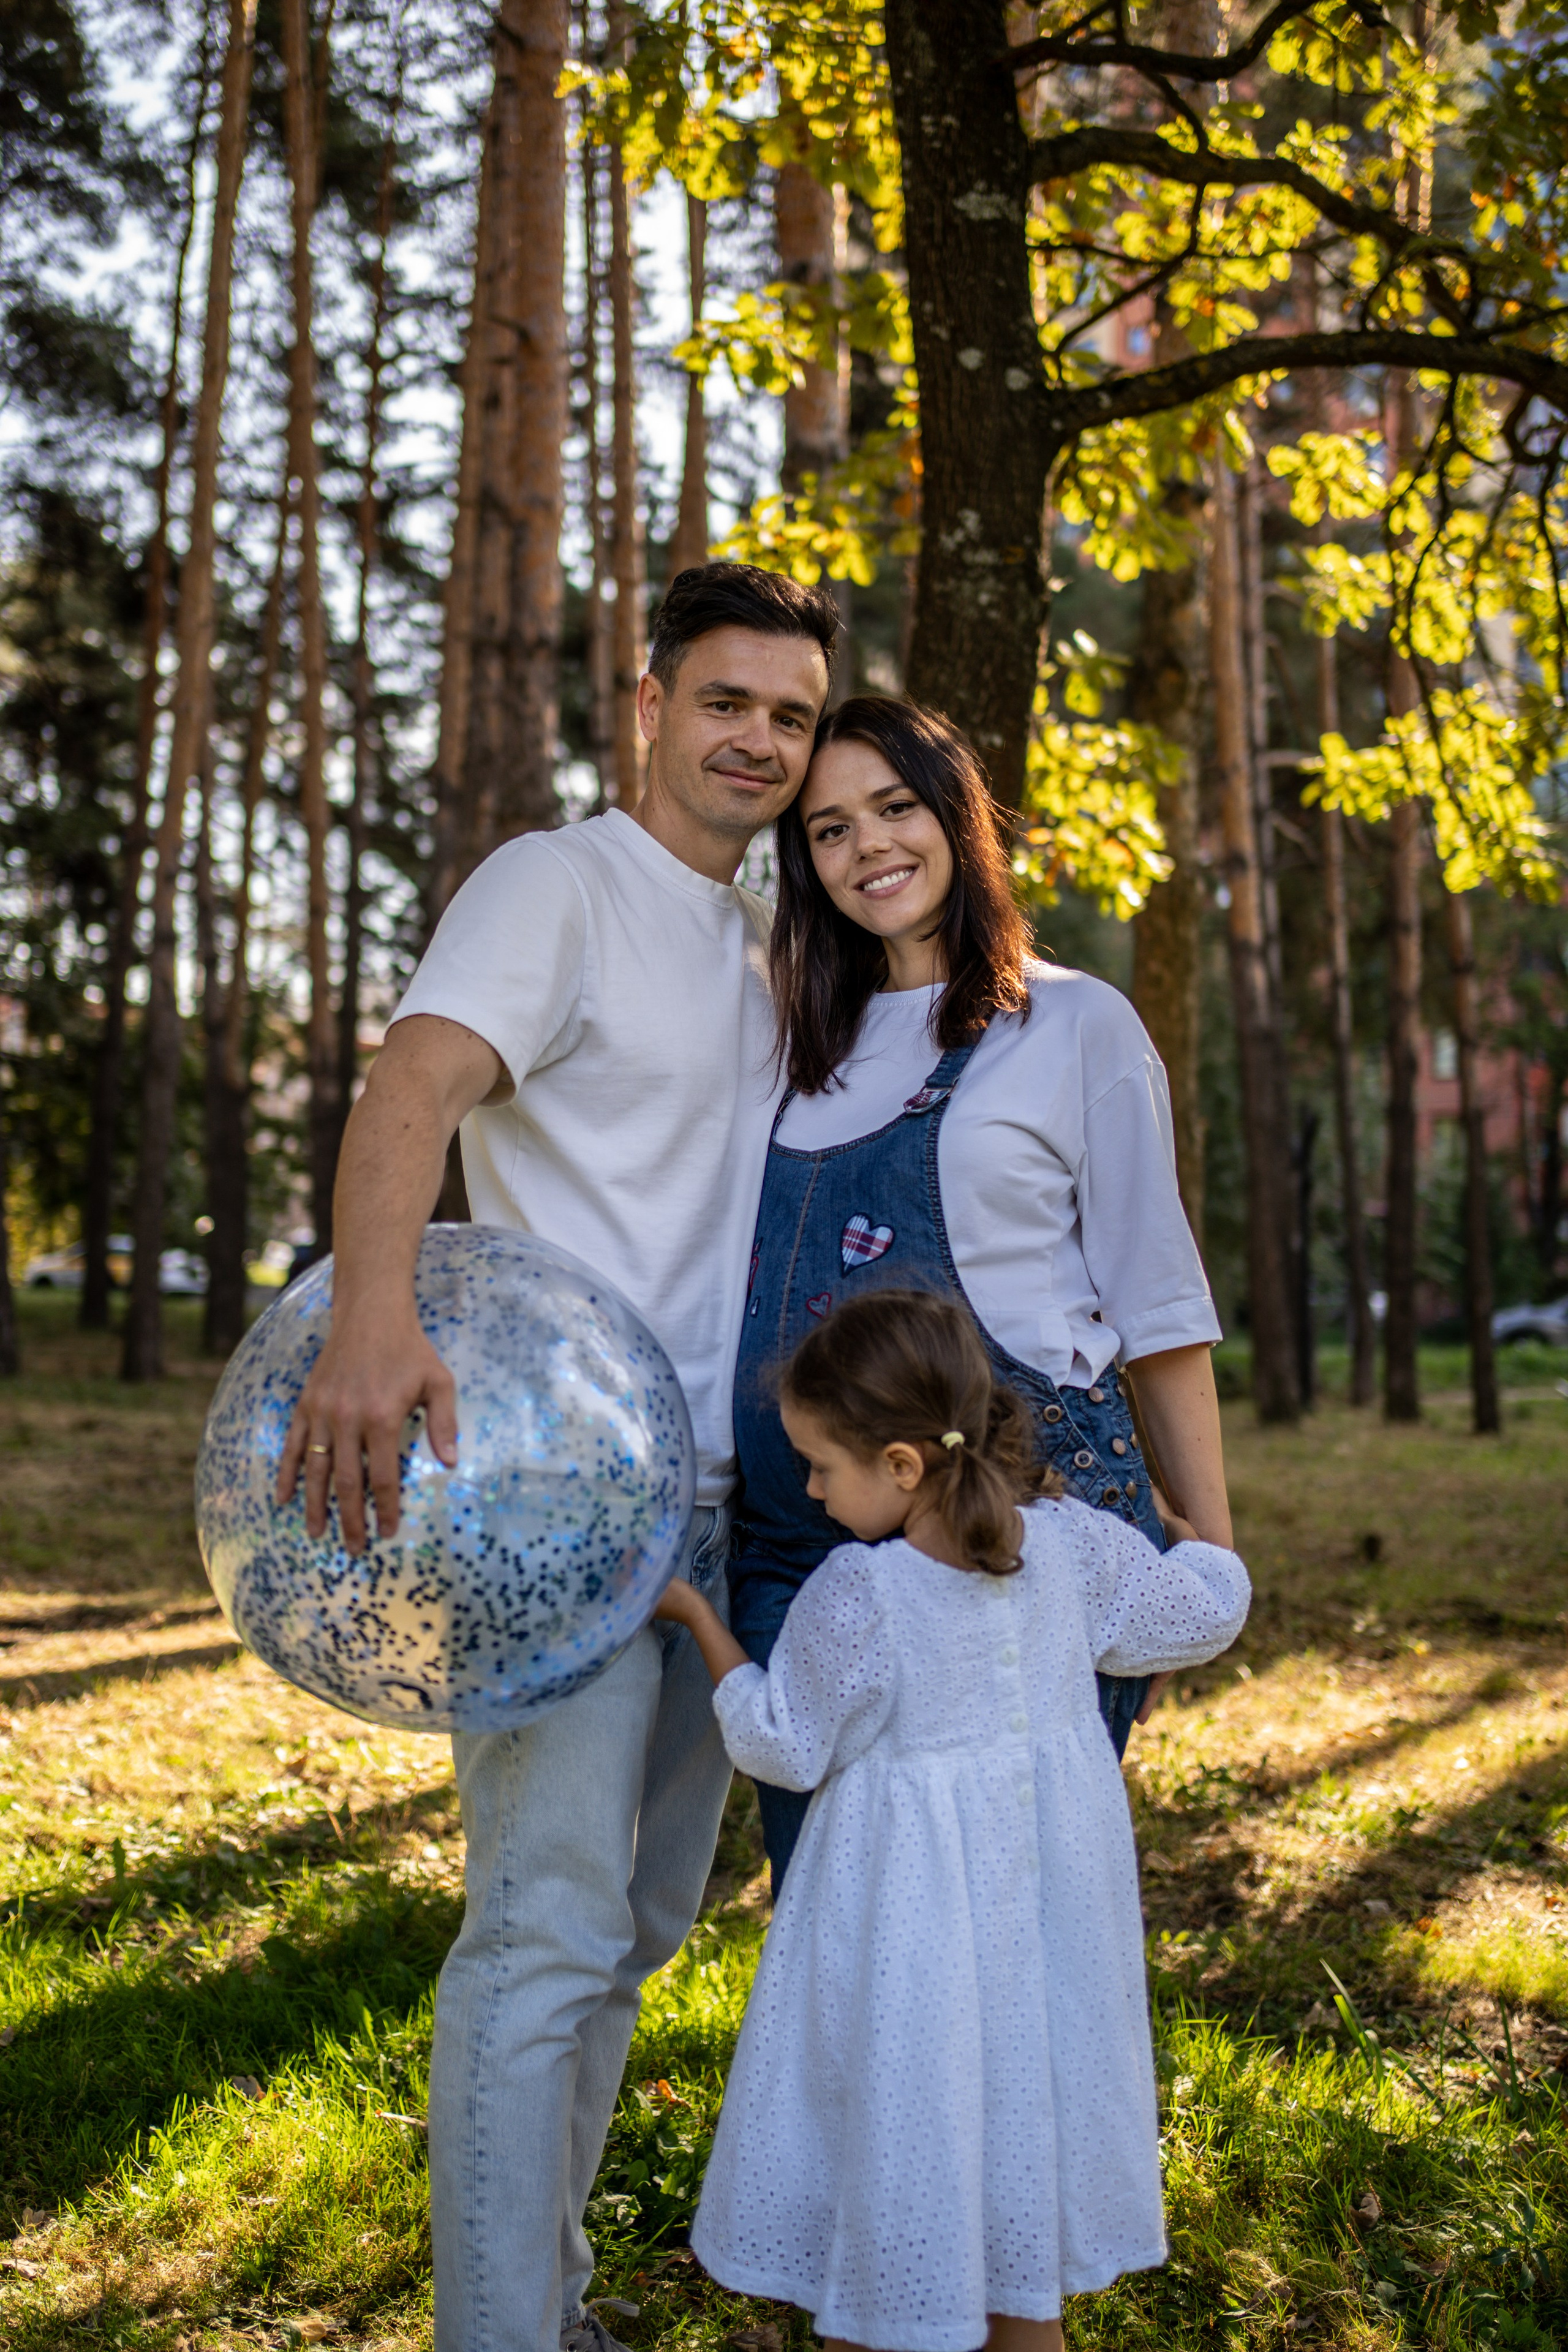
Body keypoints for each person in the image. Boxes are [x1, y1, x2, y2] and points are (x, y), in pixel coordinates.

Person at [274, 562, 841, 2352]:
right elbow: (410, 1090)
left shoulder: (770, 933)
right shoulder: (557, 884)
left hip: (733, 1496)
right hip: (562, 1492)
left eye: (796, 716)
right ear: (652, 703)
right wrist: (376, 1318)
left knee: (639, 1927)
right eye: (730, 701)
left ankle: (547, 2304)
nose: (761, 739)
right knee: (544, 1930)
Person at [657, 1290, 1251, 2352]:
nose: (808, 1489)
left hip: (910, 1948)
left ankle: (888, 2309)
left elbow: (782, 1743)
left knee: (903, 2142)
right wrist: (1194, 1542)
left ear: (898, 1466)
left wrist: (703, 1620)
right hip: (1046, 1944)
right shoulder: (1076, 1549)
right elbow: (1203, 1613)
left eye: (819, 1467)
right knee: (1018, 2172)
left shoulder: (860, 1593)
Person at [731, 693, 1231, 1886]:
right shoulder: (785, 1041)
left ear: (956, 815)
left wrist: (1203, 1544)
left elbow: (1156, 1311)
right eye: (828, 829)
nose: (868, 849)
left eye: (894, 808)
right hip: (799, 1540)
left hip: (1020, 1536)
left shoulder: (1069, 1025)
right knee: (837, 1912)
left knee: (1001, 1911)